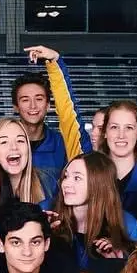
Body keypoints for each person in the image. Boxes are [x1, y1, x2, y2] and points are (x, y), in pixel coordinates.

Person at [49, 153, 137, 273]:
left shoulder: (128, 223)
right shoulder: (48, 211)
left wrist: (120, 262)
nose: (66, 184)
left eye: (77, 178)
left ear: (99, 183)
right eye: (66, 176)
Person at [13, 45, 86, 182]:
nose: (33, 105)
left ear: (48, 105)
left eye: (39, 99)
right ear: (15, 107)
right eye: (25, 100)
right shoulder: (2, 146)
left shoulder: (64, 145)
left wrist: (54, 61)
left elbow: (69, 114)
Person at [97, 100, 137, 215]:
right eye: (114, 127)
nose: (121, 135)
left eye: (129, 128)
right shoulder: (91, 173)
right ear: (105, 132)